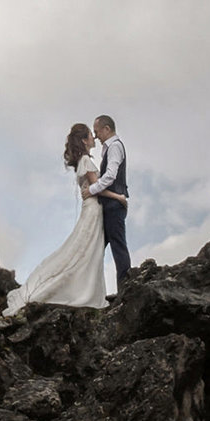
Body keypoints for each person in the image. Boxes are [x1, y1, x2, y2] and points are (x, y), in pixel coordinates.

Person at [5, 122, 109, 311]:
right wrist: (119, 196)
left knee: (83, 249)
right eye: (90, 135)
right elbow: (98, 188)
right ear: (85, 140)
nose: (94, 137)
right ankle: (77, 292)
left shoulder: (82, 161)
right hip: (93, 209)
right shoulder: (86, 161)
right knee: (85, 250)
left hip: (90, 208)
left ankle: (80, 289)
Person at [92, 113, 130, 292]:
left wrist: (91, 190)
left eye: (97, 131)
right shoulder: (109, 148)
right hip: (110, 205)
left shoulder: (114, 147)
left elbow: (111, 176)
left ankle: (125, 289)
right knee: (98, 248)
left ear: (107, 129)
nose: (96, 136)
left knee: (118, 246)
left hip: (114, 206)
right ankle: (95, 289)